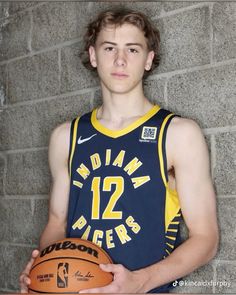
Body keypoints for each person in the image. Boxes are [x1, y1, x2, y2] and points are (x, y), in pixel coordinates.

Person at [19, 7, 219, 293]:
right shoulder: (66, 137)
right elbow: (56, 223)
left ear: (149, 60)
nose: (121, 60)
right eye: (109, 48)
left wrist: (140, 282)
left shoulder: (177, 134)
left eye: (133, 50)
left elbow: (206, 239)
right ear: (93, 56)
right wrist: (43, 270)